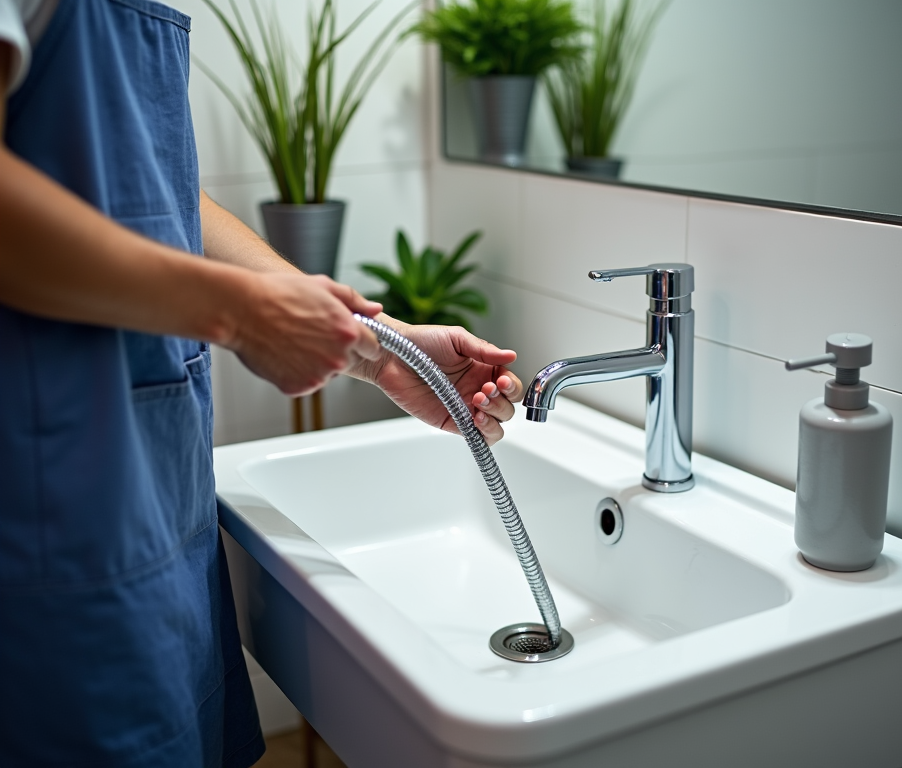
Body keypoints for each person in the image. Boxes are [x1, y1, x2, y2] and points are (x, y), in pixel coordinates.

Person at [0, 2, 523, 766]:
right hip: (49, 496)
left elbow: (159, 189)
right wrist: (241, 316)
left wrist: (379, 351)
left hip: (148, 484)